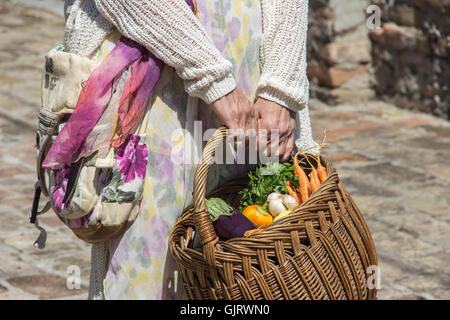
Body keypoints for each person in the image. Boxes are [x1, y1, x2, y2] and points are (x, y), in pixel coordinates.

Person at [63, 0, 316, 299]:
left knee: (255, 265)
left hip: (254, 72)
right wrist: (214, 80)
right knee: (147, 270)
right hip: (152, 71)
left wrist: (280, 86)